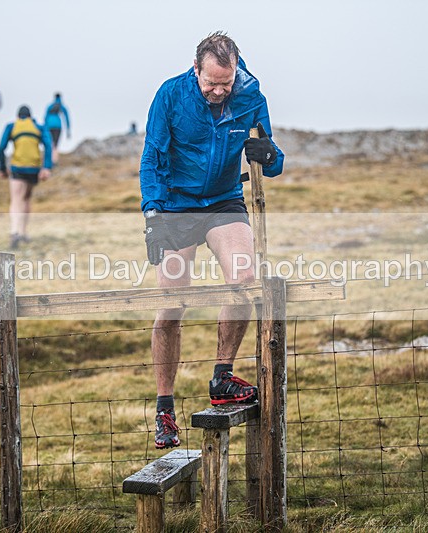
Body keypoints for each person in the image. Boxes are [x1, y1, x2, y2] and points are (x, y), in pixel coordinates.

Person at [139, 31, 284, 449]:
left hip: (223, 200)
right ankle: (164, 407)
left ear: (236, 70)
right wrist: (153, 216)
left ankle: (222, 377)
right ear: (196, 70)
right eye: (211, 83)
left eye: (226, 82)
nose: (219, 91)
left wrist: (268, 155)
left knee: (243, 276)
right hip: (176, 205)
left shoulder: (250, 95)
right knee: (171, 301)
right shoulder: (170, 95)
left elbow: (272, 159)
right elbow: (151, 157)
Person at [0, 105, 53, 249]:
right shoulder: (38, 127)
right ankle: (23, 232)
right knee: (26, 198)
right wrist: (47, 167)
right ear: (30, 116)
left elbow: (1, 147)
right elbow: (48, 145)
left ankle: (15, 231)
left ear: (18, 116)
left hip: (17, 168)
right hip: (34, 168)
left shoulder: (12, 126)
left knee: (16, 199)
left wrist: (2, 168)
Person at [43, 93, 71, 163]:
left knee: (50, 143)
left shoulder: (50, 106)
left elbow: (45, 117)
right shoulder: (61, 106)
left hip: (49, 126)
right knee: (56, 144)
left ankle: (49, 159)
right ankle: (54, 160)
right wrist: (68, 129)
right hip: (58, 126)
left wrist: (44, 128)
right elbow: (66, 117)